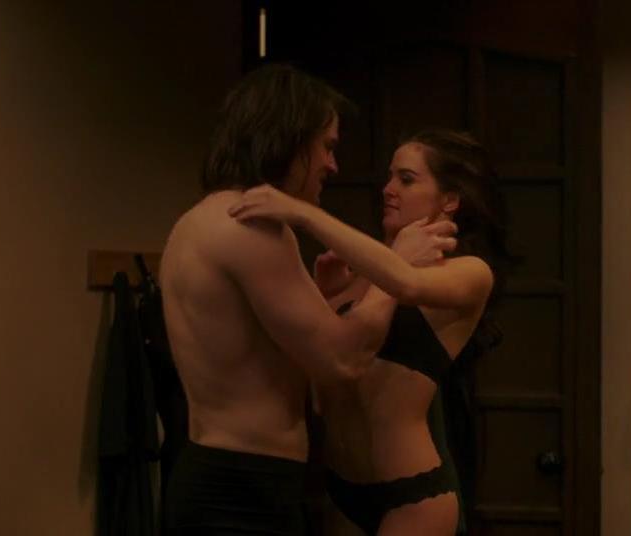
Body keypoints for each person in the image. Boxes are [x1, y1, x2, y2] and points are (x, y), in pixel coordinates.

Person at [158, 64, 457, 534]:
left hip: (212, 473)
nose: (332, 165)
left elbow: (271, 351)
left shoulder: (197, 221)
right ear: (289, 139)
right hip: (243, 492)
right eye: (327, 146)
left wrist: (326, 294)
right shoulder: (253, 229)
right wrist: (395, 269)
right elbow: (341, 360)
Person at [228, 129, 510, 535]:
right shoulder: (365, 275)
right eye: (390, 177)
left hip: (411, 495)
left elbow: (407, 284)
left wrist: (302, 213)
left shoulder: (470, 272)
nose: (388, 189)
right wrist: (327, 295)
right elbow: (323, 377)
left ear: (449, 200)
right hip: (342, 488)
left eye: (406, 179)